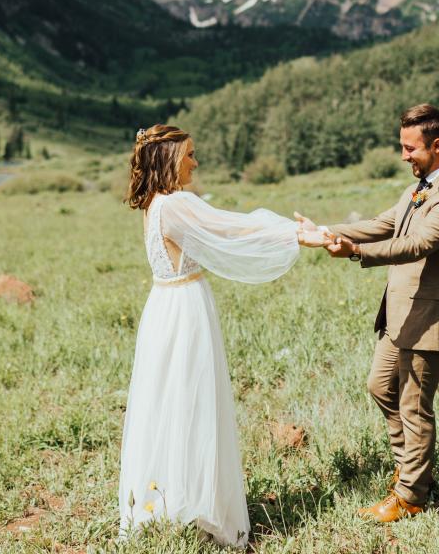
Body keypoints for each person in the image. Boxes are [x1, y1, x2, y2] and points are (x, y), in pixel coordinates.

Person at [117, 124, 330, 548]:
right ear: (169, 158)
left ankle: (169, 500)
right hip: (184, 310)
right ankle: (196, 507)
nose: (196, 161)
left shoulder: (156, 204)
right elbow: (231, 229)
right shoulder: (176, 204)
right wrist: (296, 234)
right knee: (193, 402)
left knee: (167, 402)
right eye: (190, 154)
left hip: (163, 306)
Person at [296, 104, 439, 523]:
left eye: (409, 148)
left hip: (429, 320)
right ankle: (411, 470)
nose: (403, 156)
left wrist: (355, 251)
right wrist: (325, 233)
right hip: (398, 318)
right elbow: (384, 224)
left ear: (436, 145)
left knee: (415, 408)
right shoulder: (421, 186)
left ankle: (412, 496)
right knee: (381, 388)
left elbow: (417, 243)